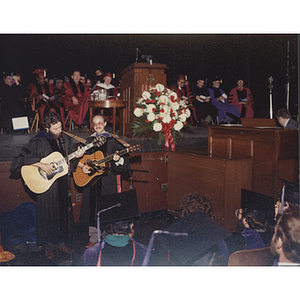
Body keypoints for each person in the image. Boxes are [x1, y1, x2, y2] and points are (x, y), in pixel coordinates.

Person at [9, 112, 85, 260]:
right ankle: (47, 246)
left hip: (62, 183)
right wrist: (40, 164)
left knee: (62, 214)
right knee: (48, 216)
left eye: (60, 127)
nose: (59, 131)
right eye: (55, 129)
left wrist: (79, 156)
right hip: (45, 185)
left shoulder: (63, 138)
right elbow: (18, 161)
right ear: (47, 128)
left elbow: (69, 159)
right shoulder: (39, 141)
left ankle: (60, 242)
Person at [78, 113, 130, 248]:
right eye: (95, 123)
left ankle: (108, 236)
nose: (97, 126)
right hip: (91, 181)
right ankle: (94, 237)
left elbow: (124, 163)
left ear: (105, 124)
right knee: (91, 208)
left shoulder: (113, 141)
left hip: (107, 180)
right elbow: (79, 160)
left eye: (100, 122)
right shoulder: (88, 142)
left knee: (108, 207)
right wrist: (81, 164)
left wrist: (119, 160)